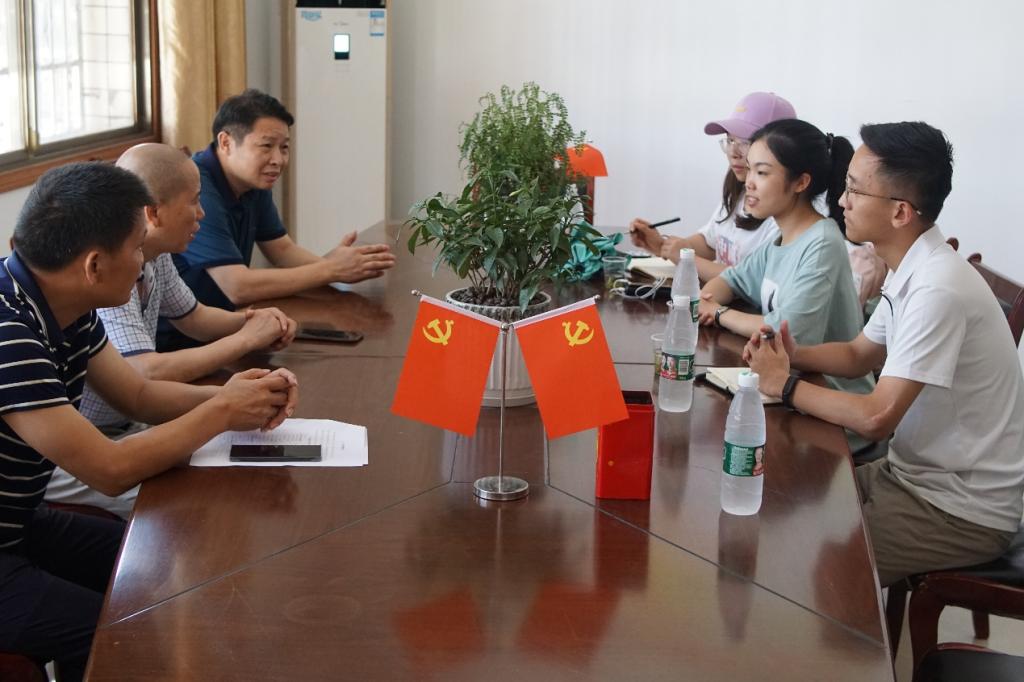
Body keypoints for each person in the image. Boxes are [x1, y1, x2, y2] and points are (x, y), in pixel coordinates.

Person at [0, 162, 299, 681]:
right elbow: (110, 469)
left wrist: (237, 396)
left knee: (152, 566)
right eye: (139, 248)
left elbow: (137, 394)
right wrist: (222, 410)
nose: (145, 264)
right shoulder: (11, 335)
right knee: (122, 632)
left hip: (17, 524)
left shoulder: (63, 301)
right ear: (95, 265)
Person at [745, 122, 1024, 586]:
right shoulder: (912, 265)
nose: (841, 200)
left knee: (804, 559)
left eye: (855, 190)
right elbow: (860, 354)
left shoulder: (937, 288)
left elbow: (876, 418)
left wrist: (784, 385)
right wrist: (793, 354)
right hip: (910, 477)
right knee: (786, 502)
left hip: (959, 509)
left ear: (900, 212)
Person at [45, 143, 299, 518]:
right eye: (194, 201)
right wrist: (240, 356)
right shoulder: (100, 285)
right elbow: (144, 376)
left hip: (123, 428)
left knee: (228, 470)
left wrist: (248, 348)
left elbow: (142, 389)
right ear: (152, 213)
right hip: (80, 451)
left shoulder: (141, 264)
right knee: (191, 501)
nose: (202, 213)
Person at [164, 89, 396, 346]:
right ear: (226, 142)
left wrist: (345, 267)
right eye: (266, 146)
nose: (278, 159)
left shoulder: (252, 181)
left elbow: (283, 251)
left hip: (227, 325)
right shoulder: (198, 187)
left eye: (284, 147)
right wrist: (330, 269)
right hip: (178, 340)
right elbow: (237, 286)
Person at [696, 118, 874, 402]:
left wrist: (718, 313)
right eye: (750, 169)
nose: (749, 183)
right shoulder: (781, 239)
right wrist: (710, 301)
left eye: (762, 172)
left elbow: (784, 333)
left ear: (801, 182)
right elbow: (729, 280)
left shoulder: (822, 243)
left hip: (828, 399)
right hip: (787, 386)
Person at [628, 92, 794, 281]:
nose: (733, 152)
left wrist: (686, 259)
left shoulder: (782, 215)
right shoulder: (739, 190)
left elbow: (752, 281)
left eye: (745, 142)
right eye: (730, 140)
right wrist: (662, 246)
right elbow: (711, 243)